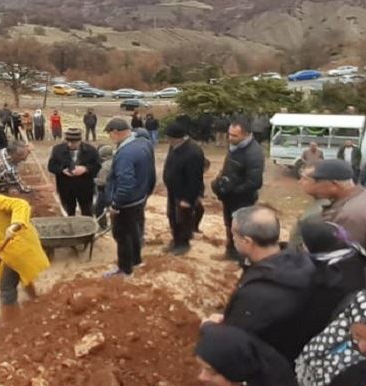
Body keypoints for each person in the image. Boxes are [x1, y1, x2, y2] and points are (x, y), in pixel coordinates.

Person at [215, 205, 317, 362]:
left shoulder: (258, 291)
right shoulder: (297, 261)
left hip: (265, 360)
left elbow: (236, 339)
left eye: (234, 235)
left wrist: (213, 328)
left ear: (247, 241)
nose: (232, 240)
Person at [294, 160, 366, 267]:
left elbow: (342, 260)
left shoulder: (348, 215)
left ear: (334, 184)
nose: (314, 185)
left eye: (317, 182)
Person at [295, 215, 366, 332]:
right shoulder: (352, 255)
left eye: (303, 244)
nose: (301, 247)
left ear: (317, 245)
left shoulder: (326, 276)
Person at [105, 118, 155, 277]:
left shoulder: (125, 154)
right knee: (134, 231)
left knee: (121, 235)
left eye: (110, 134)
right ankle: (136, 260)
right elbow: (151, 172)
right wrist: (147, 192)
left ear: (115, 132)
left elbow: (125, 183)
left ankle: (125, 269)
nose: (110, 138)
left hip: (126, 203)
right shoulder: (143, 143)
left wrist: (115, 205)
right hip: (140, 197)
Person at [212, 118, 264, 261]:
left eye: (234, 136)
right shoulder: (235, 147)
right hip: (229, 198)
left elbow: (255, 182)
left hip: (242, 200)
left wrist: (233, 191)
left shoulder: (254, 153)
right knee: (229, 225)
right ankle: (230, 252)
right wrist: (219, 182)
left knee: (241, 229)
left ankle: (243, 258)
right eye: (229, 134)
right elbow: (229, 169)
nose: (230, 138)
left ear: (246, 134)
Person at [161, 124, 207, 256]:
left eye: (169, 138)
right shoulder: (174, 146)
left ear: (178, 138)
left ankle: (183, 244)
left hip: (185, 193)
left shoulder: (193, 152)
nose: (168, 140)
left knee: (183, 219)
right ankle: (176, 240)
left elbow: (195, 179)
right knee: (172, 216)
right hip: (173, 190)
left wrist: (188, 199)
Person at [46, 127, 101, 218]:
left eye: (74, 142)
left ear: (80, 140)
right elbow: (51, 166)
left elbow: (97, 166)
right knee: (69, 212)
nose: (71, 144)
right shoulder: (57, 150)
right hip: (65, 188)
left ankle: (88, 231)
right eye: (69, 141)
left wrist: (85, 169)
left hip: (85, 188)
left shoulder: (91, 150)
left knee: (87, 212)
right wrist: (62, 170)